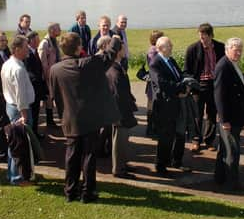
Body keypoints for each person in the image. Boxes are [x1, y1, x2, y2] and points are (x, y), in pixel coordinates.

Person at [50, 32, 120, 203]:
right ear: (79, 47)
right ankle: (88, 192)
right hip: (89, 119)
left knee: (72, 156)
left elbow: (56, 96)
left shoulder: (55, 69)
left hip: (70, 118)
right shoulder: (87, 64)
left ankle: (70, 191)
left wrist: (62, 115)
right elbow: (109, 56)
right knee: (89, 155)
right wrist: (116, 39)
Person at [213, 37, 244, 191]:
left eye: (240, 49)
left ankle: (220, 177)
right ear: (227, 49)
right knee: (232, 151)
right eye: (235, 49)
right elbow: (219, 94)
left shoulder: (231, 63)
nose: (239, 52)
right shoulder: (223, 66)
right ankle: (233, 183)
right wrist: (224, 120)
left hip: (234, 116)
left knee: (224, 148)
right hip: (230, 118)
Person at [149, 36, 191, 175]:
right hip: (164, 107)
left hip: (175, 104)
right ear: (161, 48)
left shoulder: (170, 60)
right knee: (165, 137)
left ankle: (173, 161)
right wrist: (180, 89)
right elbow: (162, 84)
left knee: (176, 134)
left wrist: (186, 84)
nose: (172, 47)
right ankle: (160, 166)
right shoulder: (155, 63)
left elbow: (179, 76)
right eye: (169, 45)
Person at [184, 22, 226, 152]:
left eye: (205, 37)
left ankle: (209, 140)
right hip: (198, 86)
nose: (202, 40)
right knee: (197, 114)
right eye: (200, 37)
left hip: (215, 85)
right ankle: (196, 140)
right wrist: (191, 85)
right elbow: (186, 70)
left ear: (211, 35)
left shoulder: (220, 47)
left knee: (212, 114)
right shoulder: (192, 49)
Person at [1, 35, 36, 185]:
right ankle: (17, 177)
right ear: (16, 49)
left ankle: (12, 173)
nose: (28, 49)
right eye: (25, 47)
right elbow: (20, 94)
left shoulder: (7, 64)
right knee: (19, 144)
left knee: (13, 143)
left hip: (11, 106)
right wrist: (24, 114)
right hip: (19, 109)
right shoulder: (17, 69)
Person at [106, 39, 138, 179]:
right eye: (123, 48)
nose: (125, 50)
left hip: (120, 110)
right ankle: (119, 169)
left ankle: (122, 164)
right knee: (119, 141)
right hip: (120, 112)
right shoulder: (115, 70)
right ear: (118, 51)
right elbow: (118, 93)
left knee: (122, 140)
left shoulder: (116, 66)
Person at [24, 31, 48, 133]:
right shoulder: (27, 53)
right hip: (32, 88)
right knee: (33, 112)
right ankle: (33, 134)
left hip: (37, 88)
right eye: (37, 39)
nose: (39, 41)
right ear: (31, 41)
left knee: (36, 112)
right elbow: (28, 71)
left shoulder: (34, 51)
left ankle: (35, 132)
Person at [38, 22, 61, 123]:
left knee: (52, 97)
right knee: (48, 98)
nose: (60, 30)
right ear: (52, 30)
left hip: (54, 74)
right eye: (58, 28)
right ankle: (50, 121)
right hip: (48, 76)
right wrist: (47, 76)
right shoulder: (45, 43)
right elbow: (43, 62)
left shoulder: (54, 40)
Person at [145, 30, 164, 137]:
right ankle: (151, 129)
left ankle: (152, 128)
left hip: (153, 82)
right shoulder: (153, 51)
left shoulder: (154, 50)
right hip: (154, 82)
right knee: (152, 104)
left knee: (152, 104)